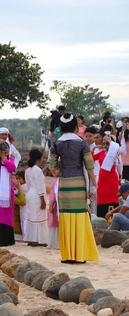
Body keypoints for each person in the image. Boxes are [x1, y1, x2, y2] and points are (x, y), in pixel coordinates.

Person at [49, 113, 100, 263]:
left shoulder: (56, 144)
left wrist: (60, 167)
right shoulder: (82, 143)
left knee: (66, 217)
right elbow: (90, 166)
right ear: (76, 127)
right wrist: (94, 185)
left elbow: (53, 169)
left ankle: (67, 255)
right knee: (79, 217)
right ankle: (79, 255)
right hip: (79, 185)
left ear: (61, 128)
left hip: (64, 185)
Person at [24, 147, 50, 246]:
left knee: (32, 216)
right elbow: (40, 187)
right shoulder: (37, 170)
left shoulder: (28, 170)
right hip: (37, 195)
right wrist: (42, 200)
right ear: (39, 158)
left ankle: (32, 238)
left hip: (30, 193)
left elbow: (28, 185)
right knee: (39, 217)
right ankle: (38, 240)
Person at [94, 134, 121, 218]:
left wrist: (110, 141)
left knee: (113, 198)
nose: (105, 145)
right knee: (101, 199)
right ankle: (102, 218)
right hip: (102, 180)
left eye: (107, 144)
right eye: (104, 143)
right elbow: (91, 158)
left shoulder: (116, 152)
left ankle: (114, 218)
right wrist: (94, 148)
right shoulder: (101, 153)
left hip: (112, 179)